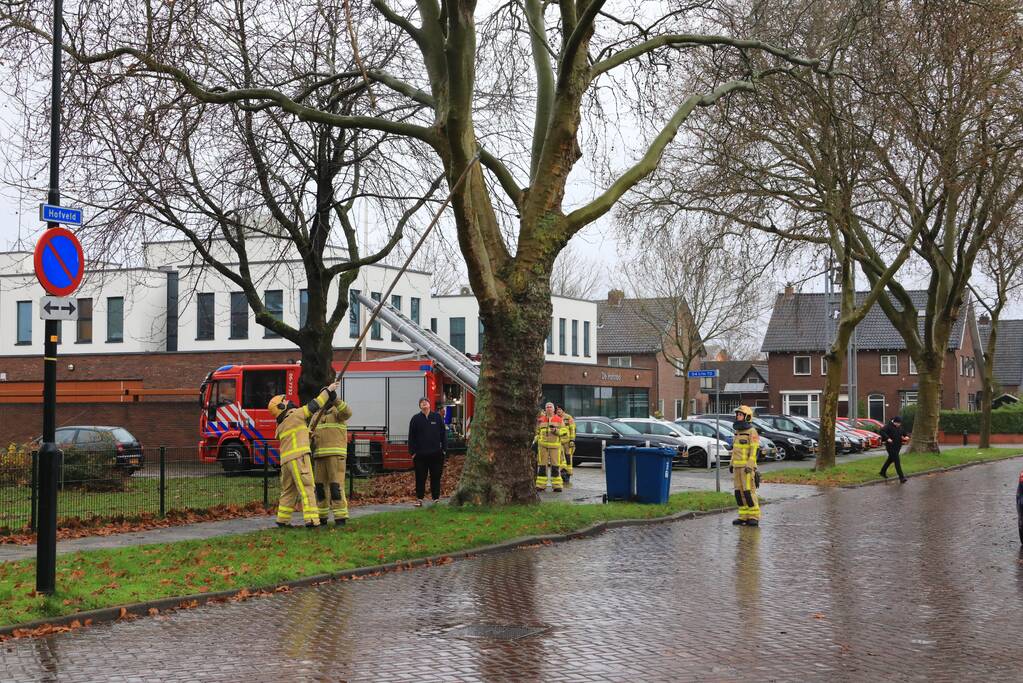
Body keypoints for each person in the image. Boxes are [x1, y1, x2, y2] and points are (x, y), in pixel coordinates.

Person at [268, 382, 338, 528]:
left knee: (289, 491)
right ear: (282, 407)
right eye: (285, 401)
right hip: (299, 458)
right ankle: (312, 520)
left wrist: (307, 435)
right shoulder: (296, 415)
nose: (288, 401)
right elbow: (315, 405)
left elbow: (295, 436)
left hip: (286, 463)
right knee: (307, 489)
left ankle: (282, 520)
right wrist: (328, 390)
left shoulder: (282, 425)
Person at [312, 398, 353, 526]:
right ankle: (321, 516)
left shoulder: (338, 412)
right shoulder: (316, 415)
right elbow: (310, 433)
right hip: (319, 456)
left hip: (335, 455)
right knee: (320, 489)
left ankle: (340, 517)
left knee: (336, 486)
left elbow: (348, 412)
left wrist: (336, 400)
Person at [408, 397, 447, 507]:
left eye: (426, 402)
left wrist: (444, 450)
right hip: (420, 455)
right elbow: (411, 436)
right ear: (420, 406)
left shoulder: (437, 417)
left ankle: (436, 499)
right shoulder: (415, 419)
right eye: (421, 403)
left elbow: (443, 434)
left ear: (430, 405)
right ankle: (419, 499)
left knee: (435, 477)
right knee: (420, 477)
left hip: (436, 454)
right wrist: (412, 452)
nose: (424, 404)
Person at [729, 405, 761, 527]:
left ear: (747, 417)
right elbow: (735, 449)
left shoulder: (752, 432)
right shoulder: (737, 432)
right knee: (739, 493)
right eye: (737, 415)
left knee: (748, 492)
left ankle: (753, 517)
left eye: (740, 415)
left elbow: (754, 450)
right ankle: (743, 516)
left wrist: (750, 465)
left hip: (746, 468)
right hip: (737, 467)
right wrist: (731, 463)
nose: (738, 416)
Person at [535, 402, 566, 492]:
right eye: (547, 407)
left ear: (553, 409)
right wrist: (536, 441)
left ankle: (557, 486)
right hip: (542, 447)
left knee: (555, 466)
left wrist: (556, 431)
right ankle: (540, 485)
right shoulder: (540, 420)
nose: (549, 408)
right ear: (545, 409)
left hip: (555, 447)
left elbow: (564, 432)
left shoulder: (559, 420)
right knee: (542, 466)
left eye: (550, 407)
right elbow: (536, 432)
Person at [879, 416, 908, 483]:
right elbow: (881, 431)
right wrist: (887, 438)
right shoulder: (888, 426)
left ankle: (882, 472)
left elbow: (904, 433)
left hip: (898, 447)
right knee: (897, 461)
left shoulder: (900, 427)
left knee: (890, 459)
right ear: (894, 422)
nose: (898, 424)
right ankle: (902, 477)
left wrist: (906, 437)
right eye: (897, 423)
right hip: (890, 447)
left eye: (899, 423)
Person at [556, 406, 576, 485]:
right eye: (557, 410)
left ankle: (568, 474)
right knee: (560, 458)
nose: (558, 411)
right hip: (558, 442)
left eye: (560, 409)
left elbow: (572, 429)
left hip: (567, 442)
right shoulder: (555, 418)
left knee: (568, 457)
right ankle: (562, 473)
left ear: (563, 410)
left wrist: (572, 440)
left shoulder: (568, 418)